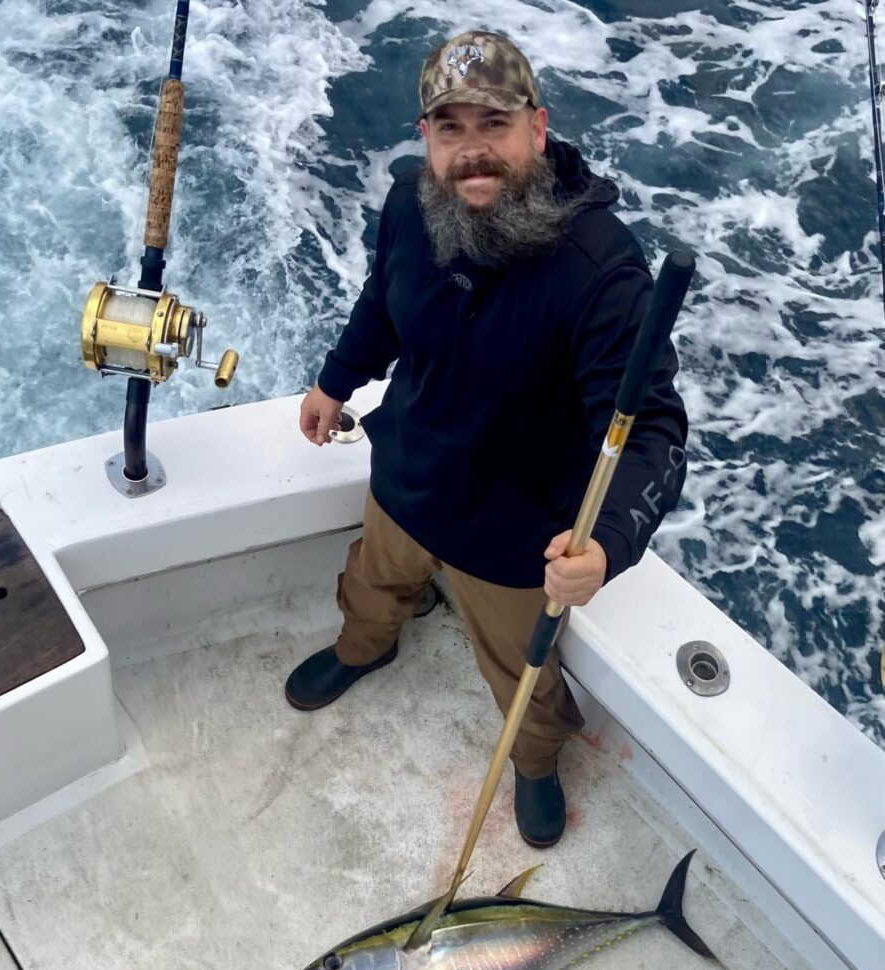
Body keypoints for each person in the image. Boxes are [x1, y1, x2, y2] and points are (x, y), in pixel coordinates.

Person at [285, 29, 688, 848]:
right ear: (426, 138)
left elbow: (653, 431)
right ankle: (366, 648)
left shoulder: (600, 271)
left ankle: (534, 760)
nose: (472, 152)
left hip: (513, 537)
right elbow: (381, 306)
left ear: (536, 129)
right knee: (373, 581)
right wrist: (336, 379)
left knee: (523, 677)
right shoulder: (408, 202)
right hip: (404, 478)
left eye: (493, 126)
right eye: (449, 129)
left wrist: (605, 547)